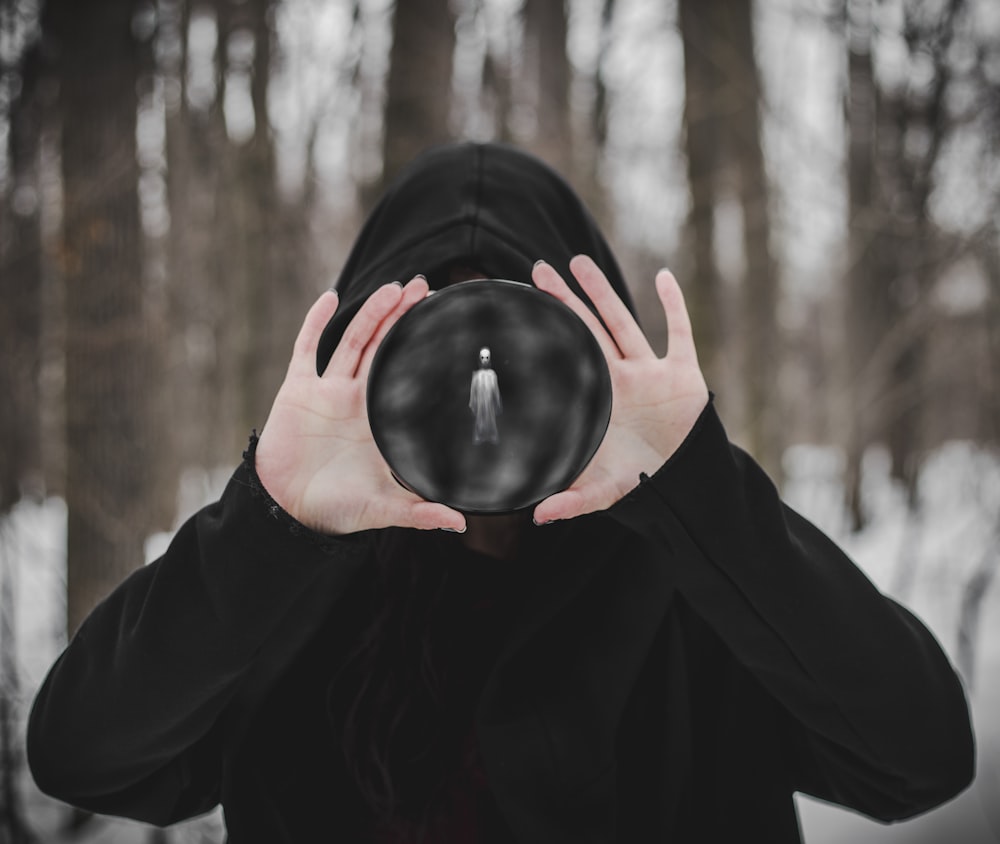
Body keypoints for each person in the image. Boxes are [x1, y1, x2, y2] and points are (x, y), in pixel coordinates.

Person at [27, 142, 974, 843]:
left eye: (521, 343)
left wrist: (698, 490)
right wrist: (271, 521)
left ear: (590, 356)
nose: (484, 392)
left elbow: (919, 759)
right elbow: (83, 751)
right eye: (431, 348)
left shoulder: (692, 577)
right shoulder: (291, 592)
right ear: (368, 357)